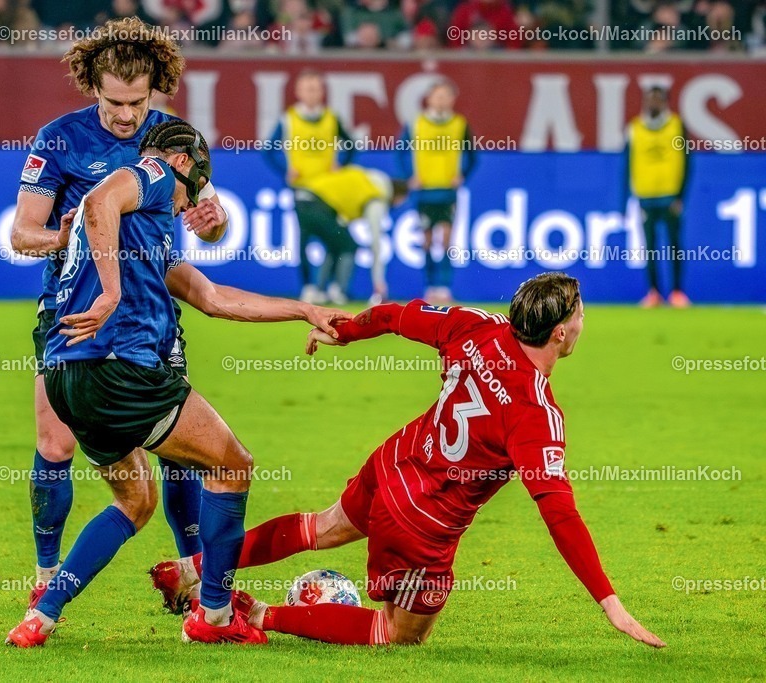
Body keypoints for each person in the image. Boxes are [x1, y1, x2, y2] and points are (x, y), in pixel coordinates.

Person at [152, 273, 666, 649]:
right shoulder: (535, 414)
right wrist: (611, 604)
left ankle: (191, 569)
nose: (581, 322)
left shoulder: (479, 326)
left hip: (394, 463)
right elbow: (559, 511)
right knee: (395, 633)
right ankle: (255, 613)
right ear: (559, 332)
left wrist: (347, 331)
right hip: (424, 521)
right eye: (578, 314)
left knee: (318, 527)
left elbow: (398, 315)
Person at [7, 120, 288, 647]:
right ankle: (214, 616)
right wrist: (111, 293)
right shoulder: (155, 168)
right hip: (119, 366)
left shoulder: (149, 229)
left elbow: (212, 291)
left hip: (68, 371)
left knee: (135, 500)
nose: (186, 207)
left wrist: (302, 309)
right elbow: (98, 204)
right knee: (231, 464)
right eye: (192, 191)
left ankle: (40, 615)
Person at [9, 17, 228, 617]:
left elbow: (209, 212)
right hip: (72, 312)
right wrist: (84, 232)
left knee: (178, 446)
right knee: (54, 443)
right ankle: (46, 571)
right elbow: (22, 234)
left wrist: (215, 223)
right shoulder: (59, 139)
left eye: (138, 102)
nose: (127, 116)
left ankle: (189, 571)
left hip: (152, 313)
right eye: (114, 102)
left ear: (156, 89)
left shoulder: (173, 137)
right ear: (92, 88)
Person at [265, 69, 356, 305]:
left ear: (322, 91)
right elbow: (268, 150)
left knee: (332, 239)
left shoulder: (331, 118)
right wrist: (285, 171)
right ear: (298, 92)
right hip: (303, 189)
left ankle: (328, 287)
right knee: (305, 238)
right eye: (308, 88)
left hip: (329, 190)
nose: (312, 93)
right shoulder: (289, 118)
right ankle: (308, 287)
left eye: (316, 88)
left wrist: (341, 164)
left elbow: (351, 146)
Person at [399, 77, 475, 304]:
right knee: (427, 241)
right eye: (437, 96)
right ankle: (430, 286)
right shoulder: (415, 124)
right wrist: (409, 177)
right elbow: (400, 152)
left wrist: (462, 174)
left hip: (447, 192)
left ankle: (445, 287)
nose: (441, 100)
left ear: (452, 99)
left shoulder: (459, 124)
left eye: (446, 96)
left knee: (447, 241)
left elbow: (472, 156)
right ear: (429, 98)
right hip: (425, 192)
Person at [300, 165, 406, 304]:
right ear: (398, 195)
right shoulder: (377, 195)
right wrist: (379, 282)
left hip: (303, 196)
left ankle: (319, 291)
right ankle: (338, 291)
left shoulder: (370, 178)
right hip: (318, 202)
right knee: (349, 246)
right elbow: (375, 242)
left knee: (336, 243)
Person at [625, 85, 690, 308]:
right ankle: (653, 292)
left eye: (657, 99)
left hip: (670, 196)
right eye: (650, 99)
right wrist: (627, 198)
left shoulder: (676, 125)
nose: (653, 104)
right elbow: (627, 164)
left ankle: (677, 292)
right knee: (650, 248)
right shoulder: (635, 128)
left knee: (674, 246)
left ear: (665, 103)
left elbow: (687, 160)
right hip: (645, 196)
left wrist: (681, 195)